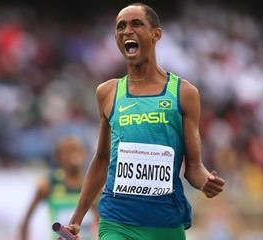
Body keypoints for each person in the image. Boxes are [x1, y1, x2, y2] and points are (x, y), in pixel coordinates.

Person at [64, 3, 226, 240]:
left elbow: (193, 168)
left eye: (136, 24)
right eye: (121, 27)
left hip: (165, 223)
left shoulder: (184, 93)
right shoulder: (108, 92)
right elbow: (101, 159)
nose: (127, 31)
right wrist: (76, 219)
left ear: (156, 34)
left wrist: (206, 182)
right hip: (117, 220)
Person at [20, 137, 98, 240]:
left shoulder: (94, 186)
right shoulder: (47, 185)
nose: (74, 154)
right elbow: (26, 221)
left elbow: (104, 221)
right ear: (58, 157)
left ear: (84, 154)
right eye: (68, 150)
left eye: (78, 149)